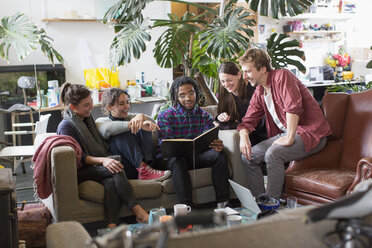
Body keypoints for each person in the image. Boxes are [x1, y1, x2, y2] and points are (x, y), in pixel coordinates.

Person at [237, 49, 332, 199]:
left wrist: (289, 137)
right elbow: (248, 120)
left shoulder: (282, 76)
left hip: (310, 133)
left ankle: (272, 204)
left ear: (262, 69)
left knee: (273, 154)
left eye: (248, 71)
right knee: (248, 156)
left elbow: (293, 107)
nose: (244, 76)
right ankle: (261, 200)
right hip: (288, 133)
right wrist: (243, 136)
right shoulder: (260, 91)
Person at [57, 82, 149, 228]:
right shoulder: (66, 126)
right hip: (79, 170)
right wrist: (103, 161)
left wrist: (104, 161)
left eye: (91, 102)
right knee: (116, 166)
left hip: (93, 166)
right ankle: (139, 212)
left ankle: (111, 225)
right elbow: (76, 158)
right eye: (86, 105)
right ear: (73, 108)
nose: (91, 107)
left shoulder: (86, 120)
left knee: (111, 182)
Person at [156, 76, 230, 208]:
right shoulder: (165, 115)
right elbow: (167, 146)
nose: (188, 98)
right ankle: (186, 208)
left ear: (196, 92)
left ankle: (222, 204)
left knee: (218, 156)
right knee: (178, 160)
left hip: (196, 157)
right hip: (172, 159)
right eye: (182, 95)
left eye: (191, 93)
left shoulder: (204, 115)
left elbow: (209, 138)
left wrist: (216, 145)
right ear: (176, 97)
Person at [95, 88, 171, 181]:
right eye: (122, 104)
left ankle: (149, 168)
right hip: (123, 166)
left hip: (146, 162)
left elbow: (154, 125)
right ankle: (144, 170)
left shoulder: (130, 117)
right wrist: (135, 124)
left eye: (127, 102)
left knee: (144, 125)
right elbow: (107, 130)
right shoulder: (101, 121)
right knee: (121, 132)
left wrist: (142, 116)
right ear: (110, 107)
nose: (127, 106)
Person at [216, 61, 266, 146]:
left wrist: (233, 124)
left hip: (259, 135)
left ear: (239, 75)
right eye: (223, 81)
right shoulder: (223, 94)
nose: (226, 84)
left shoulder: (253, 91)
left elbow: (260, 123)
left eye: (229, 80)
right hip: (243, 133)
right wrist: (220, 117)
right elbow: (219, 123)